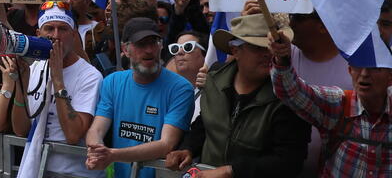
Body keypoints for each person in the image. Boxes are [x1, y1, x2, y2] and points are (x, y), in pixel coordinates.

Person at [166, 14, 309, 178]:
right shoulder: (214, 81)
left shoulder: (290, 97)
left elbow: (289, 162)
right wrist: (188, 149)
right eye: (257, 47)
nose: (267, 53)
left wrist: (231, 171)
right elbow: (205, 123)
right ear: (235, 50)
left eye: (271, 47)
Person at [269, 29, 392, 176]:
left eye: (375, 68)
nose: (364, 74)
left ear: (390, 77)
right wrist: (282, 59)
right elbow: (291, 91)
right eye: (358, 65)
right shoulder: (339, 104)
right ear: (350, 70)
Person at [4, 1, 104, 178]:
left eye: (63, 29)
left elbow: (73, 135)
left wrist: (58, 80)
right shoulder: (35, 68)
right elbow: (21, 129)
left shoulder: (90, 76)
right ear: (38, 34)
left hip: (73, 174)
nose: (56, 36)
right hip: (37, 169)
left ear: (74, 35)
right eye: (49, 28)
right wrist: (21, 85)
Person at [85, 17, 194, 178]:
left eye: (153, 43)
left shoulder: (180, 88)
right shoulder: (112, 82)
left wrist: (113, 155)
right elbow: (96, 129)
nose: (149, 50)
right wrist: (97, 150)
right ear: (125, 49)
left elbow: (166, 144)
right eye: (141, 44)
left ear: (161, 46)